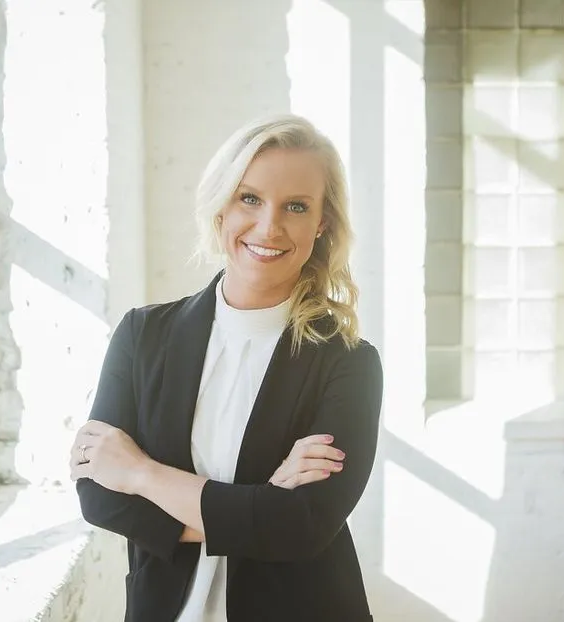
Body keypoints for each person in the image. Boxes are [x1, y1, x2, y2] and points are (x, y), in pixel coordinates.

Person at [69, 114, 384, 622]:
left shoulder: (348, 362)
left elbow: (304, 526)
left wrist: (141, 473)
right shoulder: (143, 336)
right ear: (222, 205)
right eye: (250, 198)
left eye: (296, 206)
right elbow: (100, 497)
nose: (269, 226)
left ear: (322, 221)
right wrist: (261, 506)